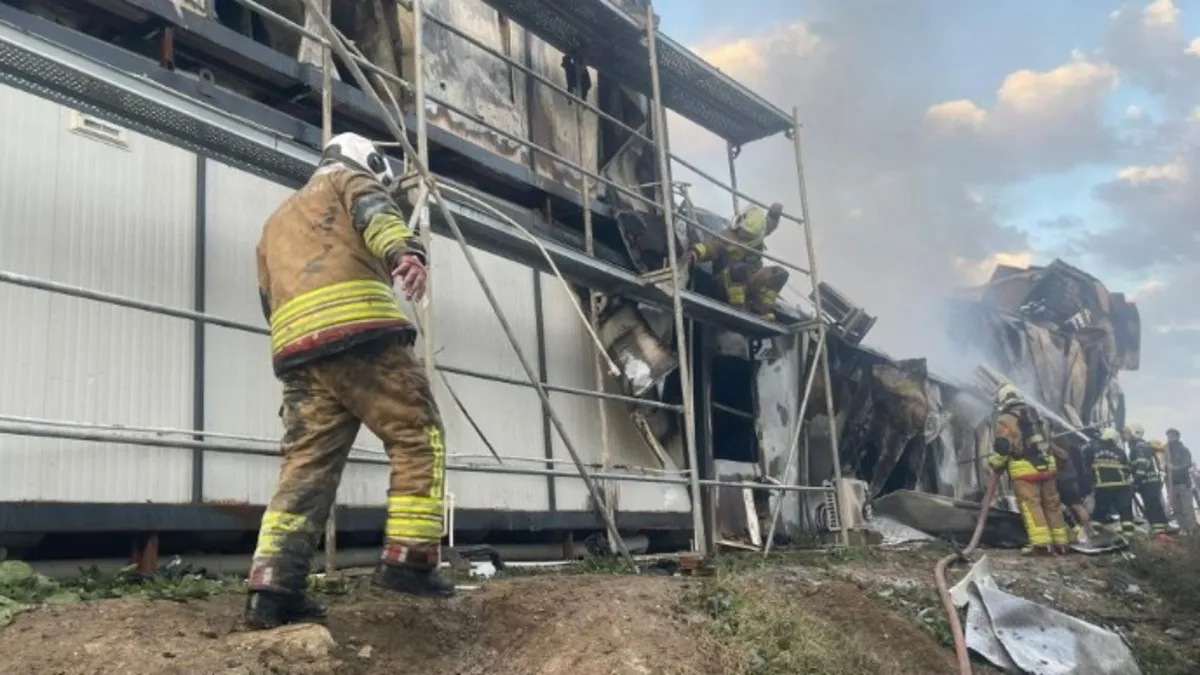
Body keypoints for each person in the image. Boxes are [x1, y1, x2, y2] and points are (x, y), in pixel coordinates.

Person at [245, 132, 453, 630]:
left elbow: (267, 300)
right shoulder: (349, 180)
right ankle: (411, 560)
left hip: (299, 354)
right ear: (367, 161)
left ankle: (272, 589)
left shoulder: (274, 222)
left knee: (305, 469)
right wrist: (405, 253)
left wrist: (299, 347)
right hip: (360, 333)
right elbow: (376, 215)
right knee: (417, 435)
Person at [988, 384, 1069, 554]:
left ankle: (1041, 545)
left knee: (1031, 505)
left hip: (1025, 470)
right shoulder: (1038, 414)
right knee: (1052, 504)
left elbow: (1002, 447)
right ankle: (1061, 544)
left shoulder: (1005, 420)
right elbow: (1049, 441)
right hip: (1047, 467)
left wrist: (994, 463)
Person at [683, 203, 788, 321]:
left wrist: (774, 214)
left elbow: (769, 225)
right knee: (740, 269)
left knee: (780, 274)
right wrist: (695, 252)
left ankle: (762, 309)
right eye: (743, 230)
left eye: (748, 234)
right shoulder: (727, 237)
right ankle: (738, 309)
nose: (743, 234)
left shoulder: (758, 233)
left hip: (750, 280)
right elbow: (710, 247)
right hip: (724, 282)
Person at [1088, 427, 1135, 538]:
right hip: (1122, 487)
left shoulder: (1093, 450)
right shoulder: (1120, 452)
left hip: (1103, 487)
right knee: (1125, 511)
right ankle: (1129, 535)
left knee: (1099, 511)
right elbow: (1128, 469)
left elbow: (1086, 466)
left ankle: (1095, 534)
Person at [1124, 425, 1170, 540]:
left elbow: (1142, 464)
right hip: (1149, 481)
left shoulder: (1139, 446)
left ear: (1134, 433)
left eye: (1126, 434)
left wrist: (1136, 481)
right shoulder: (1139, 446)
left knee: (1152, 505)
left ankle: (1159, 532)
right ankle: (1159, 529)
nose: (1124, 436)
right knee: (1153, 504)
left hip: (1148, 481)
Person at [1052, 438, 1091, 543]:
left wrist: (1051, 445)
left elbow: (1063, 455)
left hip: (1066, 479)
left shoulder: (1058, 442)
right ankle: (1078, 530)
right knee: (1063, 505)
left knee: (1076, 505)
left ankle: (1087, 530)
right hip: (1061, 478)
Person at [1165, 428, 1195, 534]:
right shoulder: (1165, 450)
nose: (1170, 437)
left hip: (1183, 484)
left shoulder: (1183, 450)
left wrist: (1174, 468)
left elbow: (1187, 464)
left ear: (1178, 436)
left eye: (1172, 435)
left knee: (1187, 508)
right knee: (1177, 508)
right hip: (1171, 485)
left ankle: (1192, 530)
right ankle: (1183, 529)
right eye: (1168, 436)